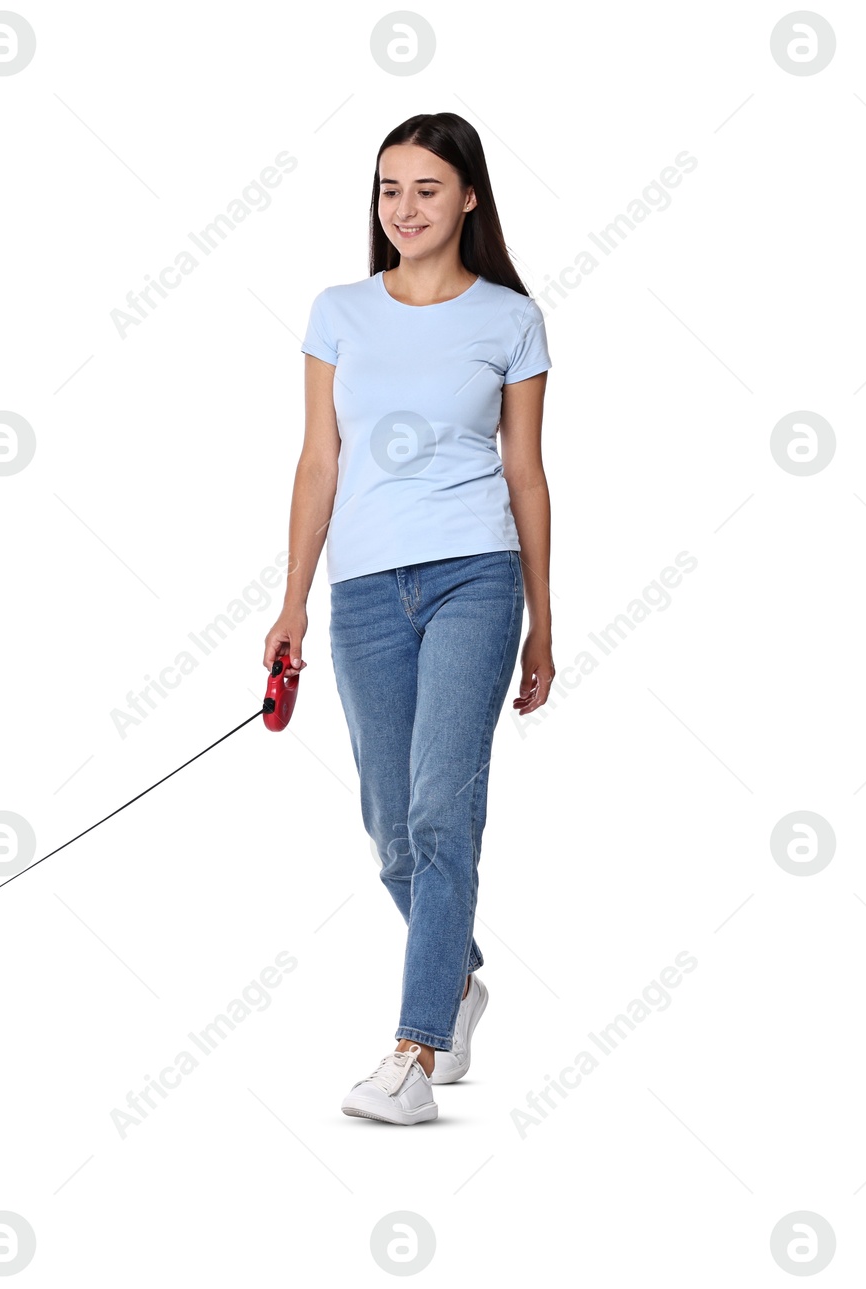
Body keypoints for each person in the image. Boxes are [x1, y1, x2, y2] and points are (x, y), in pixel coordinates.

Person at [264, 112, 555, 1125]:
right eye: (389, 188)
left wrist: (543, 622)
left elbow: (524, 470)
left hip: (475, 576)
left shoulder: (509, 318)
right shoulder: (338, 310)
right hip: (363, 591)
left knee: (441, 815)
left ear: (468, 197)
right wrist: (291, 598)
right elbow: (318, 461)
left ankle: (415, 1049)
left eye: (427, 188)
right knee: (391, 829)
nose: (405, 207)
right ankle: (460, 975)